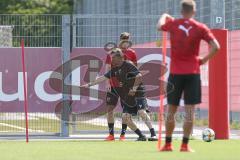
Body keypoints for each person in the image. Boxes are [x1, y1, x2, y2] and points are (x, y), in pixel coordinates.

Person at [157, 0, 220, 152]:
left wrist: (165, 15)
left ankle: (168, 144)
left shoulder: (173, 24)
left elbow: (159, 26)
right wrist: (203, 60)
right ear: (194, 11)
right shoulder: (200, 27)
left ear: (181, 11)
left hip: (176, 73)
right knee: (190, 110)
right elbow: (216, 47)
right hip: (192, 73)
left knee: (171, 109)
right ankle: (184, 145)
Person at [82, 48, 155, 141]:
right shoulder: (115, 69)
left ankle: (153, 134)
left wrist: (134, 88)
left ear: (119, 57)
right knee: (125, 117)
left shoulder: (128, 64)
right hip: (128, 95)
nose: (111, 60)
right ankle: (141, 136)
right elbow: (102, 78)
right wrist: (89, 85)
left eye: (113, 58)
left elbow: (139, 76)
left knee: (141, 112)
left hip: (138, 92)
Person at [104, 32, 137, 141]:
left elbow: (135, 70)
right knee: (109, 109)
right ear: (119, 40)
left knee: (126, 111)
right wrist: (107, 82)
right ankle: (111, 135)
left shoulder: (132, 53)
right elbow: (108, 68)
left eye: (127, 39)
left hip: (125, 87)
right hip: (113, 86)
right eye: (123, 39)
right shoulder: (112, 53)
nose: (125, 41)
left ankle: (123, 135)